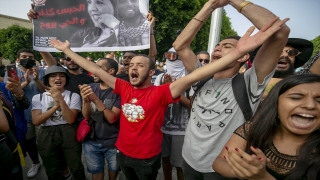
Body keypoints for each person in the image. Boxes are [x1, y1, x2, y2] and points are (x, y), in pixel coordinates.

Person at [50, 16, 288, 179]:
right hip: (122, 152)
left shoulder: (163, 91)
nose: (133, 67)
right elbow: (98, 70)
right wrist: (67, 51)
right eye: (130, 64)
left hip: (147, 158)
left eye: (140, 65)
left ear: (151, 72)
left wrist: (238, 52)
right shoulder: (124, 88)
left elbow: (202, 71)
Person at [172, 0, 290, 179]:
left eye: (227, 46)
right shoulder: (201, 76)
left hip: (223, 168)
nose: (218, 47)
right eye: (218, 45)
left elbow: (280, 32)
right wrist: (210, 5)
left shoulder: (249, 83)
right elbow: (180, 45)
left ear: (243, 56)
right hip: (188, 160)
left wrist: (233, 1)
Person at [213, 74, 320, 179]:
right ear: (276, 103)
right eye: (296, 98)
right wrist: (241, 171)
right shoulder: (252, 128)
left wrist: (262, 177)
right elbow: (219, 161)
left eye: (319, 100)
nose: (310, 105)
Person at [31, 65, 85, 180]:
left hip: (68, 132)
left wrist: (61, 100)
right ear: (47, 79)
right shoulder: (38, 97)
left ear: (66, 79)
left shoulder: (73, 96)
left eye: (62, 76)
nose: (58, 78)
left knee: (75, 166)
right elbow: (36, 121)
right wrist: (55, 107)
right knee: (51, 168)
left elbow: (71, 119)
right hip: (46, 134)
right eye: (53, 76)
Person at [4, 48, 47, 178]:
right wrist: (26, 82)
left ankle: (49, 161)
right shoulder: (12, 72)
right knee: (29, 141)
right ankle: (35, 162)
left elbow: (46, 91)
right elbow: (10, 92)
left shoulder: (42, 70)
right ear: (18, 59)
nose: (27, 59)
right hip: (23, 115)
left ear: (34, 59)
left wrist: (37, 79)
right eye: (23, 56)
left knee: (45, 141)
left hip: (42, 112)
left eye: (30, 57)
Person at [80, 58, 121, 180]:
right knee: (96, 171)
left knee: (114, 170)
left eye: (98, 68)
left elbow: (112, 119)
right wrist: (85, 101)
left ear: (111, 71)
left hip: (114, 142)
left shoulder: (119, 91)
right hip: (91, 141)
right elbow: (86, 116)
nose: (93, 71)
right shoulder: (90, 87)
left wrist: (95, 100)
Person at [154, 48, 192, 180]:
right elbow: (155, 102)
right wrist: (163, 89)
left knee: (180, 165)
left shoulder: (189, 79)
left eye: (174, 56)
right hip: (162, 129)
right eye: (168, 55)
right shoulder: (159, 77)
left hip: (182, 131)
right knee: (165, 161)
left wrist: (172, 89)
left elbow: (192, 106)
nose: (170, 59)